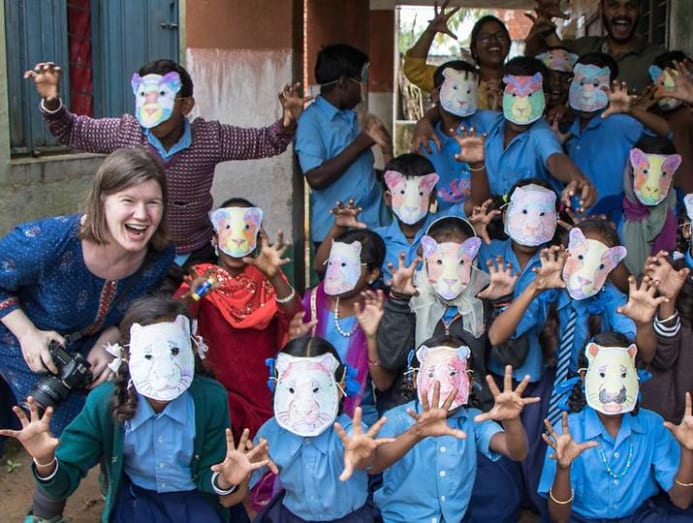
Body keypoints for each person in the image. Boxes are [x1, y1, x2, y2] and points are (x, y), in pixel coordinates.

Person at [0, 148, 175, 522]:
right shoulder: (50, 242)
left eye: (153, 202)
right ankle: (45, 513)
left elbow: (142, 304)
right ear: (102, 201)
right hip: (20, 339)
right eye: (128, 200)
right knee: (64, 428)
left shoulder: (159, 254)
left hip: (90, 347)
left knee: (124, 404)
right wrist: (28, 334)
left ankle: (123, 494)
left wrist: (112, 339)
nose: (142, 214)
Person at [24, 59, 302, 284]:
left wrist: (288, 121)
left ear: (186, 104)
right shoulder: (126, 133)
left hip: (197, 254)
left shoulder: (210, 138)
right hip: (144, 254)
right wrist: (52, 101)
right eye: (144, 96)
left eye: (163, 96)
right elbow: (73, 131)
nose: (151, 106)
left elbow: (264, 142)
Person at [0, 297, 268, 523]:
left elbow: (210, 473)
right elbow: (63, 482)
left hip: (195, 500)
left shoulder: (211, 398)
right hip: (137, 501)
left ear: (193, 348)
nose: (164, 370)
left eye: (175, 350)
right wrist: (45, 461)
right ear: (127, 355)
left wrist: (225, 480)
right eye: (149, 355)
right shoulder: (103, 402)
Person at [370, 336, 537, 523]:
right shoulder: (396, 419)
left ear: (469, 381)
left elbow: (516, 452)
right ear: (416, 379)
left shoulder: (473, 420)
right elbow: (374, 465)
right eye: (432, 374)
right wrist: (416, 433)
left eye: (452, 374)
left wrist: (511, 421)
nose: (443, 385)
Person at [175, 198, 302, 441]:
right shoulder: (202, 277)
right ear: (215, 238)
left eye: (246, 229)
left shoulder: (268, 279)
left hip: (263, 393)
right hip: (217, 391)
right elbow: (177, 318)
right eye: (228, 229)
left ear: (258, 237)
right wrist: (195, 294)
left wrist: (274, 276)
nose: (237, 238)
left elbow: (294, 317)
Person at [539, 332, 693, 522]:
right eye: (602, 374)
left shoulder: (652, 426)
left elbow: (682, 501)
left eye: (623, 374)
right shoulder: (567, 431)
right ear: (585, 377)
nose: (613, 388)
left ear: (636, 377)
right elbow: (559, 517)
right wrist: (563, 468)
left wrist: (688, 452)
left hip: (639, 517)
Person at [240, 336, 391, 522]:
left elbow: (364, 457)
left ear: (340, 388)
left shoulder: (348, 432)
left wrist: (364, 456)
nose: (304, 405)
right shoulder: (271, 433)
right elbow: (244, 479)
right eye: (292, 389)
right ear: (278, 385)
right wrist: (231, 479)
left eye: (316, 389)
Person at [413, 57, 596, 208]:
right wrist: (425, 121)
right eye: (514, 95)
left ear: (545, 100)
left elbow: (555, 159)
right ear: (501, 97)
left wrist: (577, 179)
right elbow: (451, 111)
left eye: (530, 97)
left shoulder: (540, 133)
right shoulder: (487, 122)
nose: (521, 106)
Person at [295, 44, 391, 249]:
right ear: (343, 82)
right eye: (361, 80)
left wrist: (386, 150)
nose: (363, 87)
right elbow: (316, 177)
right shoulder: (311, 121)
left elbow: (358, 172)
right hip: (337, 234)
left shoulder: (353, 118)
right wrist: (360, 144)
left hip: (376, 226)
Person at [294, 229, 394, 424]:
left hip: (358, 418)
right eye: (332, 263)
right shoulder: (314, 301)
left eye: (346, 265)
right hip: (308, 411)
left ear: (372, 274)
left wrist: (371, 336)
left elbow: (383, 383)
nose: (335, 273)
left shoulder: (381, 310)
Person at [565, 53, 671, 223]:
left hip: (615, 225)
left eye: (596, 84)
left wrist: (632, 110)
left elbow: (666, 133)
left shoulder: (621, 123)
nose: (587, 91)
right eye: (581, 83)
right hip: (576, 224)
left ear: (611, 86)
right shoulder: (570, 131)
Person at [525, 0, 666, 93]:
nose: (622, 13)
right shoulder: (582, 48)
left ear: (639, 10)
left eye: (630, 6)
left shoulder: (657, 58)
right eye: (613, 5)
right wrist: (544, 22)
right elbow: (533, 60)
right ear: (601, 9)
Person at [639, 195, 693, 423]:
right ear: (688, 230)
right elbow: (659, 358)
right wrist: (668, 301)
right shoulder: (663, 275)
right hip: (670, 421)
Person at [420, 60, 495, 213]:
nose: (462, 98)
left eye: (469, 91)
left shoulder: (486, 126)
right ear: (435, 94)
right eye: (454, 88)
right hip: (444, 219)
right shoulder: (426, 140)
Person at [403, 4, 510, 109]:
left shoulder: (517, 83)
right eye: (485, 37)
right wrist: (431, 31)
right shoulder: (458, 78)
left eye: (500, 36)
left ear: (509, 44)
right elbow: (415, 71)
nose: (493, 41)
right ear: (474, 49)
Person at [620, 136, 681, 275]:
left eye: (662, 174)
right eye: (645, 172)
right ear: (631, 169)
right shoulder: (609, 209)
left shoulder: (686, 211)